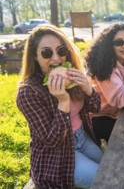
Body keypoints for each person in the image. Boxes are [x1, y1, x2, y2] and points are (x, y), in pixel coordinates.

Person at [16, 24, 102, 188]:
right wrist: (63, 102)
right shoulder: (28, 93)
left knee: (109, 167)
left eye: (61, 51)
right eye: (47, 52)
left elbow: (96, 108)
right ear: (35, 56)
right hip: (56, 154)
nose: (56, 58)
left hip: (82, 138)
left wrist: (88, 89)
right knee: (104, 180)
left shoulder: (71, 75)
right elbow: (51, 141)